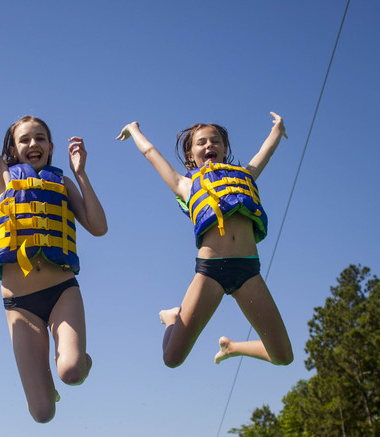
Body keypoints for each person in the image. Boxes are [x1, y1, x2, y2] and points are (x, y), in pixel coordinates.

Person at [0, 34, 108, 423]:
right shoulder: (1, 180)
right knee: (42, 413)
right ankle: (51, 381)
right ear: (12, 147)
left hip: (62, 290)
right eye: (24, 138)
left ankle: (78, 357)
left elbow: (98, 227)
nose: (33, 143)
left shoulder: (61, 183)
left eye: (40, 138)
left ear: (49, 146)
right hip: (20, 305)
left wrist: (81, 175)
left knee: (72, 372)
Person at [116, 115, 293, 368]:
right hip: (211, 272)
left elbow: (267, 151)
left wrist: (277, 129)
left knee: (284, 357)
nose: (209, 145)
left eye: (215, 141)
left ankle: (233, 347)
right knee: (171, 359)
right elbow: (150, 152)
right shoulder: (184, 184)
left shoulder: (245, 175)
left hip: (249, 271)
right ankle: (171, 318)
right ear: (190, 154)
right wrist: (134, 131)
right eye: (201, 143)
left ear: (224, 149)